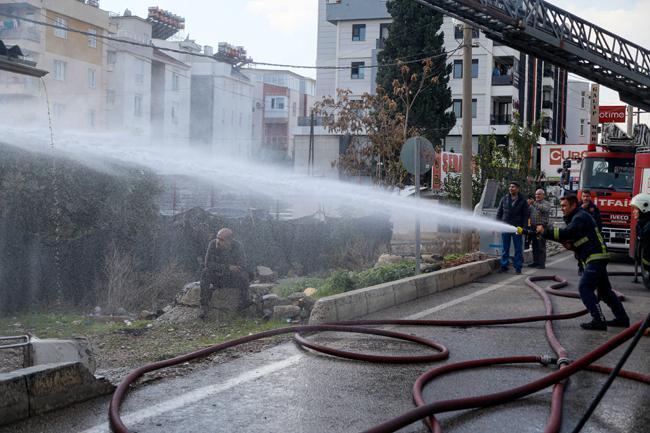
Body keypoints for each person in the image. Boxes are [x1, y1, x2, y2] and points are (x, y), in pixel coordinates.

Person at [535, 195, 629, 330]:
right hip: (597, 256)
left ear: (573, 205)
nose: (562, 209)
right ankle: (622, 319)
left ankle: (598, 320)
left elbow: (568, 232)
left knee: (585, 288)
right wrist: (572, 245)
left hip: (595, 256)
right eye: (561, 206)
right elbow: (579, 237)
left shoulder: (579, 217)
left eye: (564, 206)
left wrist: (545, 232)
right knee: (605, 291)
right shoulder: (577, 217)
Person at [199, 228, 250, 319]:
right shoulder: (212, 244)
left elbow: (242, 265)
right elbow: (208, 264)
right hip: (218, 277)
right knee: (205, 273)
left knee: (245, 276)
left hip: (232, 279)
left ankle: (243, 307)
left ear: (229, 241)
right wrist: (227, 267)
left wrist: (234, 269)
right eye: (217, 238)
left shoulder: (237, 246)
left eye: (221, 239)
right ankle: (204, 306)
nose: (218, 241)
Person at [496, 181, 529, 274]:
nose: (511, 188)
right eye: (510, 187)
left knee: (518, 249)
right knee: (505, 248)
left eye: (513, 187)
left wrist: (524, 228)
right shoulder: (504, 199)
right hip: (505, 227)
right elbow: (499, 213)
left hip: (517, 228)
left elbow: (526, 215)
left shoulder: (523, 200)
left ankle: (518, 268)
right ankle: (504, 266)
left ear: (518, 189)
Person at [577, 190, 602, 275]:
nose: (585, 198)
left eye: (587, 196)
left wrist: (599, 232)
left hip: (590, 234)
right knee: (579, 252)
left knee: (589, 252)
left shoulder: (594, 207)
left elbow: (599, 221)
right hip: (580, 233)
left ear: (590, 197)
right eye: (584, 196)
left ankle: (587, 268)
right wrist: (581, 209)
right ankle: (580, 267)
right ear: (581, 197)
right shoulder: (578, 206)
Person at [528, 189, 551, 269]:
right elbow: (528, 213)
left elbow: (544, 209)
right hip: (533, 227)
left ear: (543, 195)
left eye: (539, 194)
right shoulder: (532, 205)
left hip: (542, 227)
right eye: (536, 194)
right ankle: (535, 262)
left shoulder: (546, 203)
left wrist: (533, 203)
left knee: (541, 245)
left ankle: (541, 264)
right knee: (534, 245)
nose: (537, 196)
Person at [631, 193, 650, 274]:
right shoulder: (643, 224)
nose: (633, 212)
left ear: (644, 208)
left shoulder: (648, 227)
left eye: (635, 209)